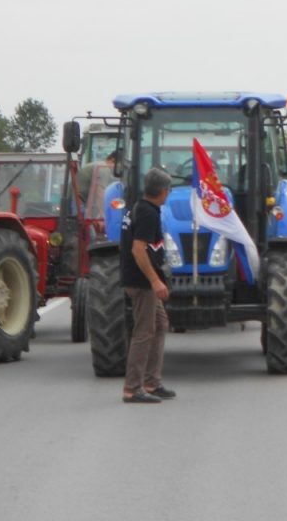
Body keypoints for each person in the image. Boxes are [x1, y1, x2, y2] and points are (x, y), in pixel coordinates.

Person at [120, 167, 176, 404]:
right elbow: (138, 249)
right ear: (163, 191)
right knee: (144, 332)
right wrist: (154, 281)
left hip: (140, 279)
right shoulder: (148, 214)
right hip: (142, 282)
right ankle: (133, 388)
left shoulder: (137, 207)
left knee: (161, 324)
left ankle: (152, 382)